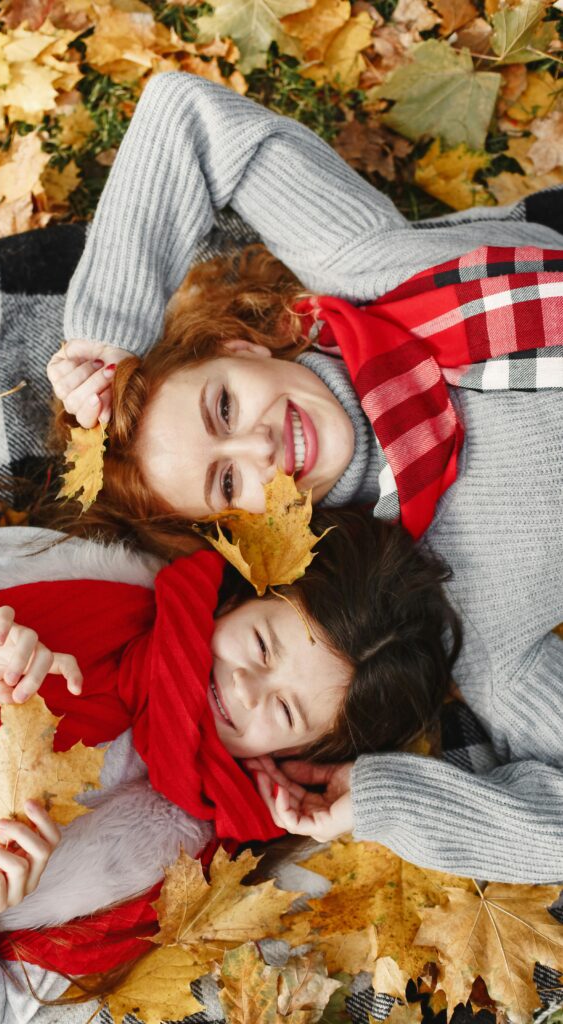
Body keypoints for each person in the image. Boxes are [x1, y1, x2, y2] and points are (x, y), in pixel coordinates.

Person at [46, 72, 563, 885]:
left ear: (243, 350)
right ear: (247, 532)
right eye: (225, 485)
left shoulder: (362, 268)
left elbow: (188, 114)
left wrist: (108, 333)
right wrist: (389, 804)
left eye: (222, 407)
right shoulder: (471, 612)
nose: (254, 447)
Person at [0, 504, 458, 1023]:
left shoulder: (171, 870)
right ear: (237, 600)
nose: (245, 688)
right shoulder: (98, 581)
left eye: (283, 709)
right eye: (260, 645)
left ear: (297, 755)